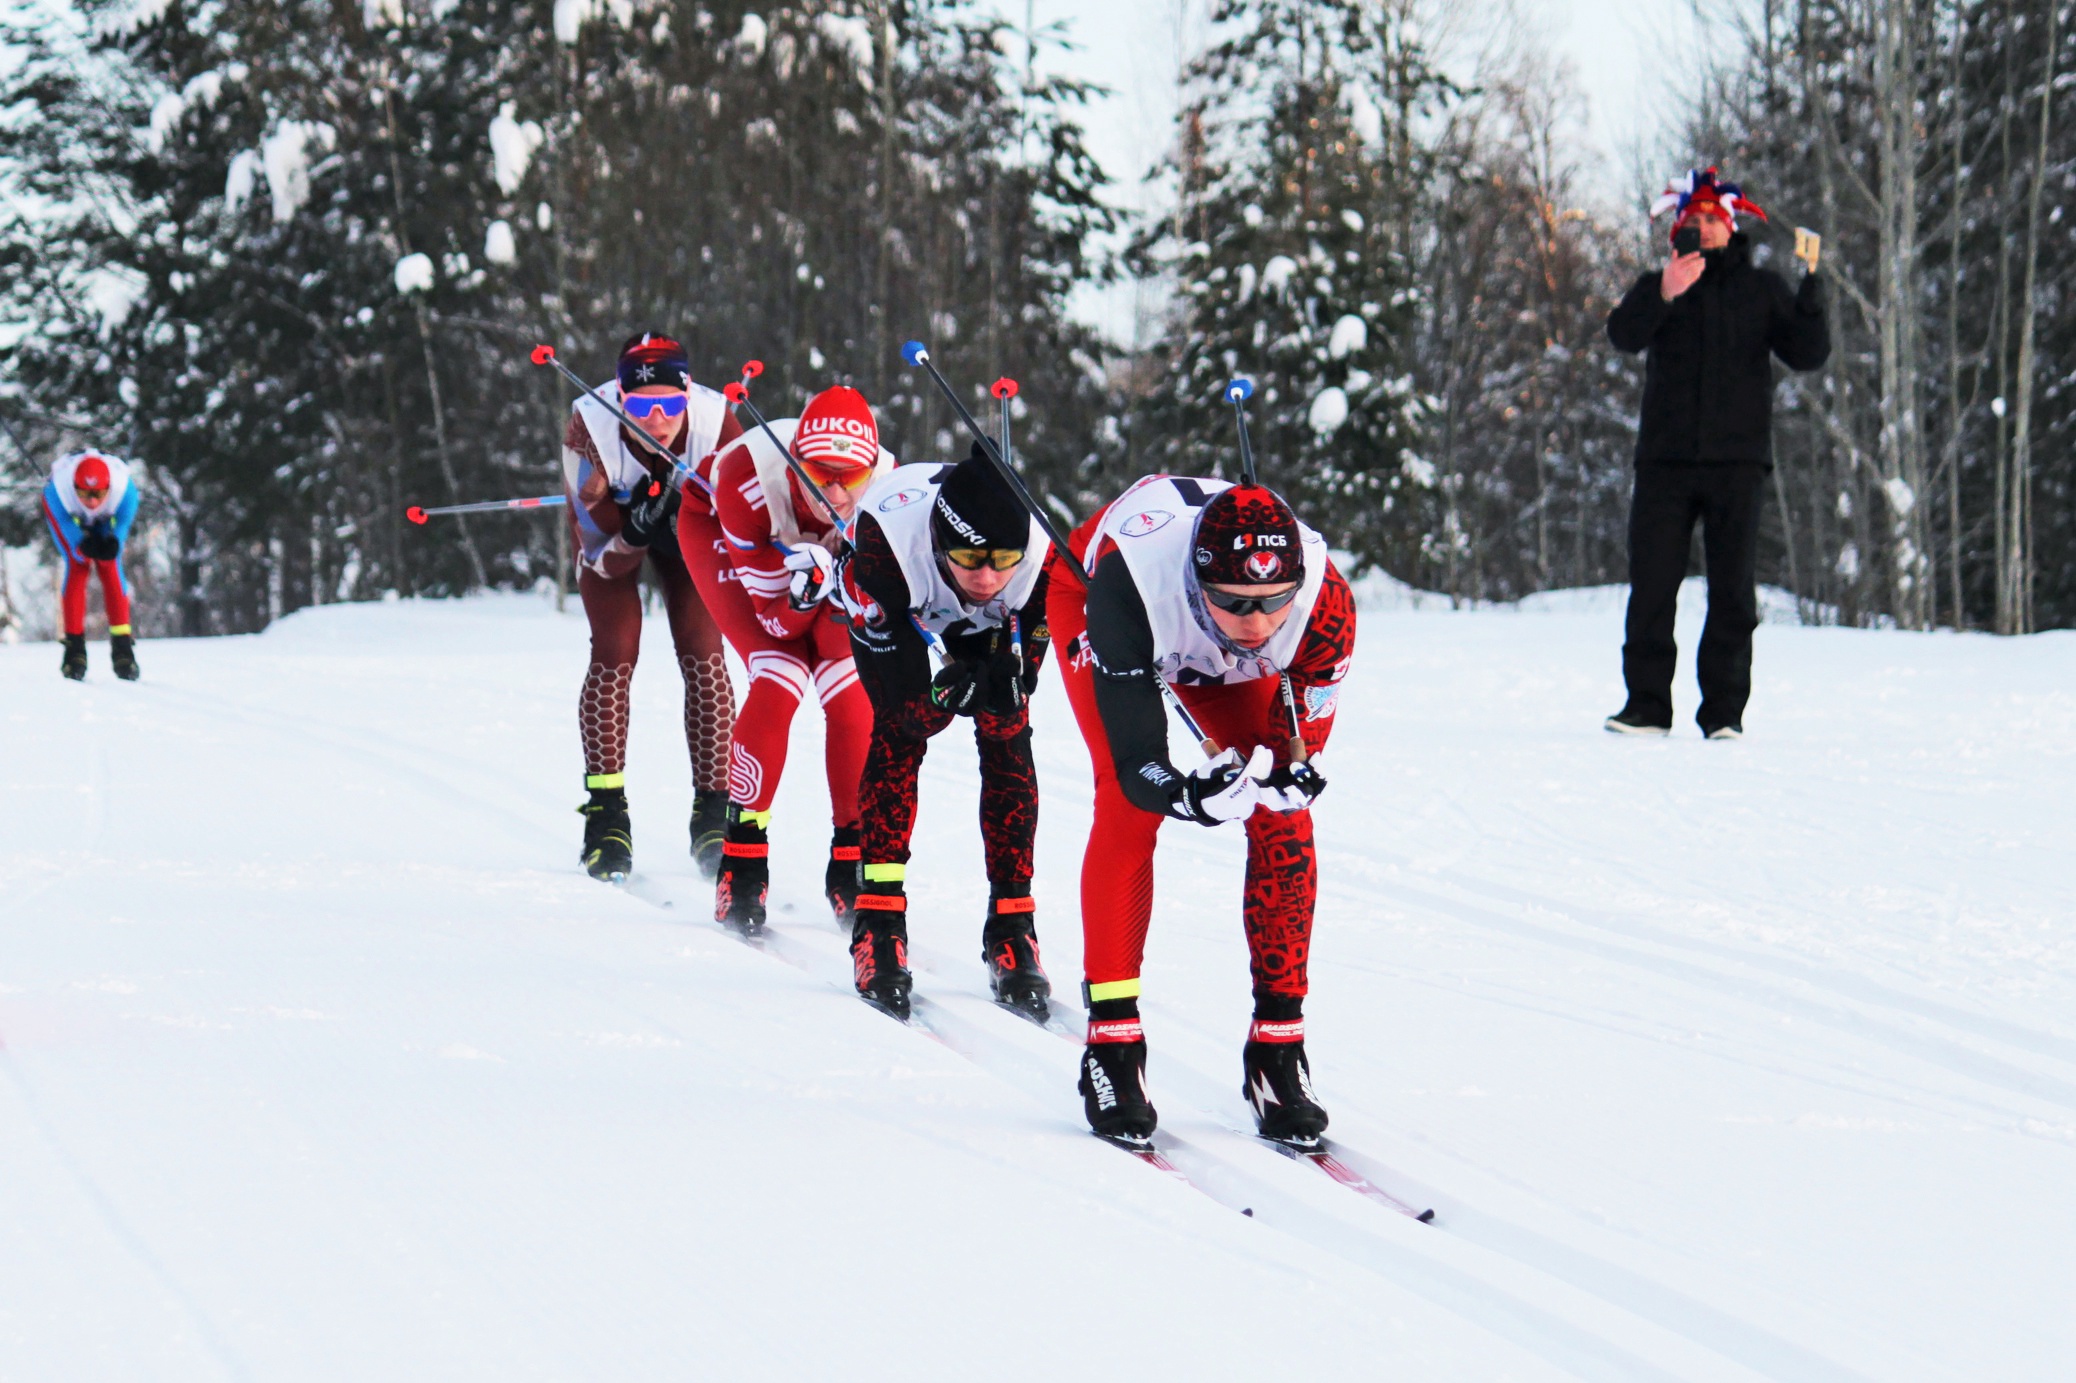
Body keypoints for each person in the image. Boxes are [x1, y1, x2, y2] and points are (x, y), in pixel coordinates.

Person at [1049, 475, 1354, 1147]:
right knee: (1130, 809)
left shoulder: (1325, 603)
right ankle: (1112, 1044)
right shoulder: (1132, 584)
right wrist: (1189, 795)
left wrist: (1291, 773)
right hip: (1100, 600)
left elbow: (1295, 749)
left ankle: (1277, 1051)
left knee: (1283, 818)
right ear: (1196, 580)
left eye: (1275, 602)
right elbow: (1138, 765)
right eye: (1234, 602)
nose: (1256, 623)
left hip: (1198, 637)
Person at [1604, 167, 1830, 740]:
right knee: (1652, 585)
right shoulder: (1658, 284)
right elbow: (1623, 336)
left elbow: (1806, 353)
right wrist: (1664, 294)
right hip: (1664, 463)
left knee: (1733, 590)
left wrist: (1811, 297)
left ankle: (1724, 712)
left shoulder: (1762, 290)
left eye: (1713, 219)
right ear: (1678, 228)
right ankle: (1647, 707)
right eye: (1694, 220)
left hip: (1738, 463)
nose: (1704, 228)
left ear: (1731, 228)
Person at [840, 443, 1053, 1021]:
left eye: (1001, 559)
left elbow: (1027, 656)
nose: (986, 577)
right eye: (968, 557)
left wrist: (1016, 676)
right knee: (898, 739)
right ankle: (878, 923)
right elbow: (907, 711)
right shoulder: (885, 548)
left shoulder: (1035, 556)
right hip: (903, 602)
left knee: (1008, 731)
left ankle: (1012, 925)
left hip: (980, 625)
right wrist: (937, 698)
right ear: (938, 539)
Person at [678, 384, 895, 934]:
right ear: (796, 461)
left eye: (853, 478)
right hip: (717, 528)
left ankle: (850, 854)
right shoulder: (746, 483)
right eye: (821, 475)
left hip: (812, 561)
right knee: (780, 673)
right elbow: (775, 620)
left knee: (847, 684)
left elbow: (842, 635)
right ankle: (742, 859)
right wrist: (803, 595)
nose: (838, 496)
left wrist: (835, 590)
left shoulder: (890, 492)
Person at [562, 333, 741, 882]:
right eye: (641, 405)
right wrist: (635, 528)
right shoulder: (588, 427)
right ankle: (606, 814)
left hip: (692, 536)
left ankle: (713, 812)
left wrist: (691, 521)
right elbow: (597, 553)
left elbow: (742, 527)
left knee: (705, 653)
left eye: (669, 402)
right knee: (616, 650)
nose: (658, 418)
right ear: (620, 398)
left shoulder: (717, 424)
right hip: (616, 540)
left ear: (689, 394)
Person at [43, 450, 142, 682]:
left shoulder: (125, 491)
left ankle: (123, 648)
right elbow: (64, 524)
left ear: (108, 487)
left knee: (109, 563)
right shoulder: (57, 492)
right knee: (79, 564)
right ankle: (74, 649)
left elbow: (123, 524)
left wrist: (114, 540)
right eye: (85, 494)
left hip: (108, 518)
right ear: (75, 488)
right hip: (69, 516)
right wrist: (81, 544)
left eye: (98, 493)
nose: (92, 501)